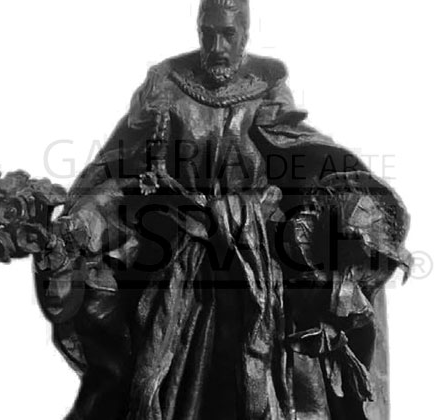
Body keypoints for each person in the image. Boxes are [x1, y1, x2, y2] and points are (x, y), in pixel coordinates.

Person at [29, 1, 411, 419]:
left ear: (245, 33)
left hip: (257, 261)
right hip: (177, 260)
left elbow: (303, 163)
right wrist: (78, 227)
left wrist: (336, 222)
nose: (217, 47)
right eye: (207, 32)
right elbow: (122, 176)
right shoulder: (165, 89)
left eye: (228, 34)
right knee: (150, 374)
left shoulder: (266, 90)